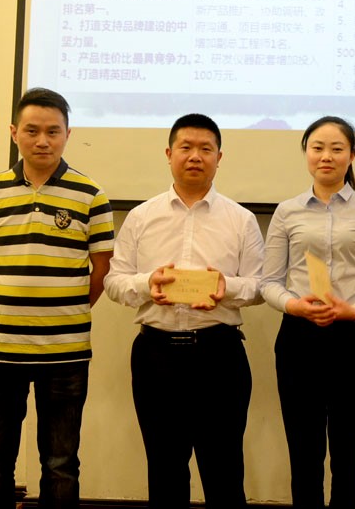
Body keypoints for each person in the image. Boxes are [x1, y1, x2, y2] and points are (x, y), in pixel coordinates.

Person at [0, 87, 115, 509]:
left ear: (68, 134)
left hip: (66, 353)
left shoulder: (91, 195)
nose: (42, 140)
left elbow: (102, 272)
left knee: (61, 464)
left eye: (52, 131)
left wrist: (64, 310)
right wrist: (11, 304)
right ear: (14, 132)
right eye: (32, 131)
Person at [103, 113, 264, 509]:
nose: (195, 156)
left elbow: (261, 285)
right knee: (165, 469)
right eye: (186, 147)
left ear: (219, 158)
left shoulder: (241, 220)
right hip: (156, 355)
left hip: (219, 354)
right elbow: (113, 281)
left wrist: (227, 288)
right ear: (169, 153)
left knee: (224, 470)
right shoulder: (141, 217)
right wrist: (147, 284)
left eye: (206, 149)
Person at [261, 115, 355, 509]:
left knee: (348, 452)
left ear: (351, 155)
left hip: (353, 339)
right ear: (305, 153)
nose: (326, 156)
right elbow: (269, 281)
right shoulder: (286, 212)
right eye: (317, 147)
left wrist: (354, 310)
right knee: (303, 452)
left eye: (337, 148)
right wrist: (294, 305)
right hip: (298, 338)